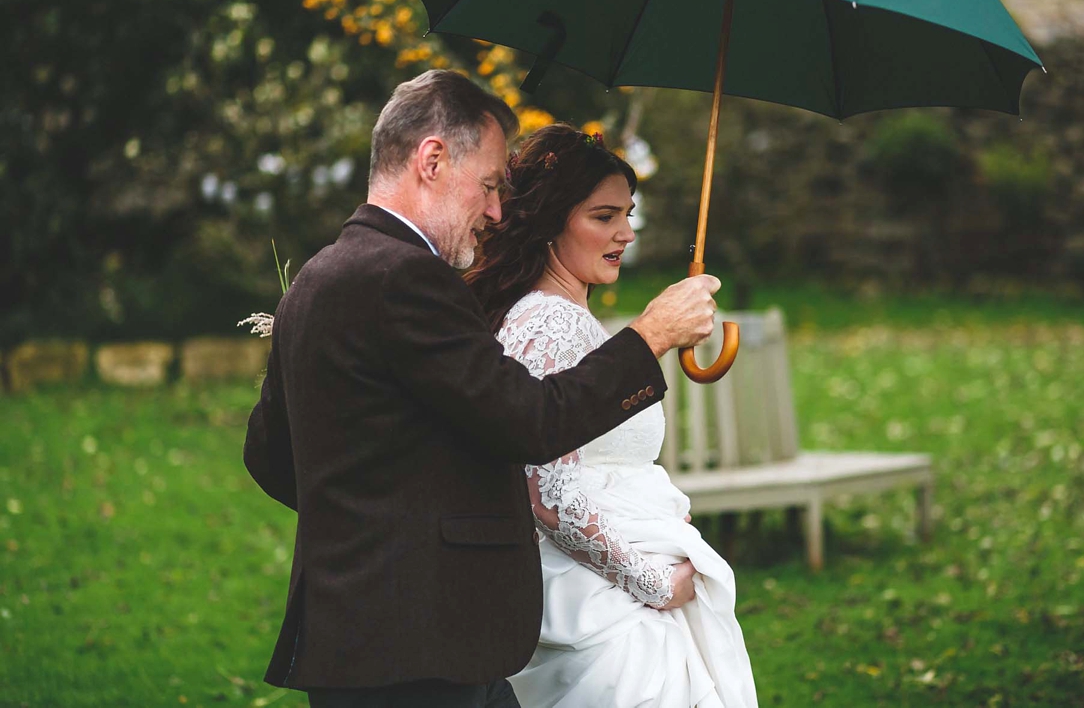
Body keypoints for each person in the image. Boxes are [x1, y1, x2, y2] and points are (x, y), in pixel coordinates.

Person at [243, 71, 723, 708]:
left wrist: (364, 521)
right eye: (491, 185)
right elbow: (529, 420)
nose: (497, 210)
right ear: (433, 160)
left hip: (368, 634)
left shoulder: (317, 276)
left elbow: (269, 452)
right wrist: (650, 336)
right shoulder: (408, 278)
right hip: (418, 641)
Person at [466, 124, 758, 707]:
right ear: (550, 222)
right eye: (603, 216)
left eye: (628, 213)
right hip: (603, 605)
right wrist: (651, 582)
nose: (625, 232)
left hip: (621, 578)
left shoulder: (562, 318)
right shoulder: (549, 323)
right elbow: (544, 490)